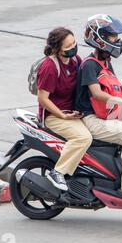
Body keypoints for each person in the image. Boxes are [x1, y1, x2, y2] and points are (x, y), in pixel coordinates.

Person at [75, 14, 122, 200]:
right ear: (99, 38)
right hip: (92, 120)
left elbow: (118, 87)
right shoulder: (89, 65)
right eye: (112, 37)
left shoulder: (105, 62)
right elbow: (98, 94)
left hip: (110, 115)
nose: (117, 40)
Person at [38, 27, 92, 191]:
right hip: (54, 116)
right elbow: (43, 98)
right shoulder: (50, 67)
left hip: (72, 112)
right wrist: (62, 115)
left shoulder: (76, 60)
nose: (73, 47)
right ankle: (58, 172)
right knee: (83, 138)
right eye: (68, 46)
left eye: (74, 43)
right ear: (57, 49)